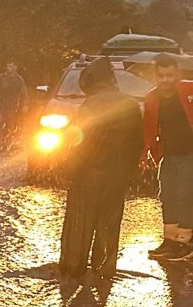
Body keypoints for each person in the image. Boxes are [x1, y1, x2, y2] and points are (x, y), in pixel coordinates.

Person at [59, 56, 143, 280]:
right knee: (109, 224)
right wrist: (129, 172)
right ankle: (104, 269)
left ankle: (74, 268)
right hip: (117, 177)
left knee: (80, 223)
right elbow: (137, 144)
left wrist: (66, 169)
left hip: (87, 176)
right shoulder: (131, 104)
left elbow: (80, 142)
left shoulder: (90, 105)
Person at [143, 52, 193, 260]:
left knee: (185, 195)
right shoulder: (152, 98)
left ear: (177, 75)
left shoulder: (189, 89)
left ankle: (185, 242)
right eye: (161, 75)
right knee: (167, 195)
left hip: (190, 152)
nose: (165, 80)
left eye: (169, 75)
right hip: (169, 154)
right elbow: (148, 128)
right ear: (155, 76)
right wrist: (147, 151)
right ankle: (170, 240)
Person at [0, 61, 29, 149]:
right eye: (8, 66)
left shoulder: (19, 79)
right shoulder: (1, 78)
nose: (9, 68)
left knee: (9, 125)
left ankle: (7, 143)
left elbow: (24, 93)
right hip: (0, 104)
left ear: (15, 67)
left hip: (12, 106)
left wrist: (25, 105)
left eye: (11, 66)